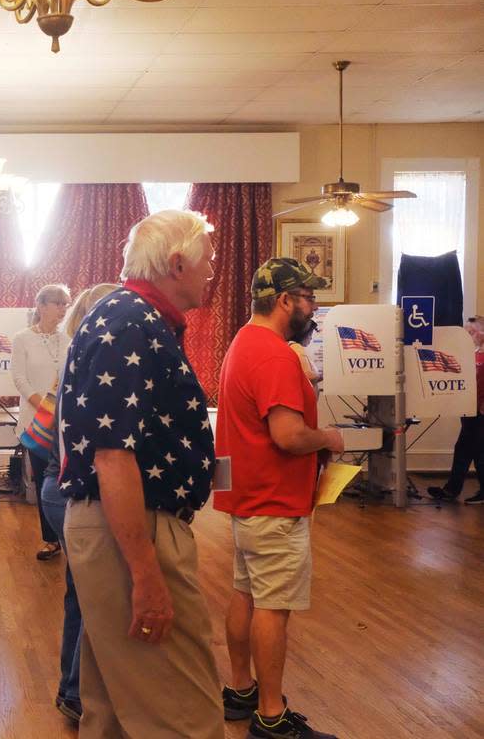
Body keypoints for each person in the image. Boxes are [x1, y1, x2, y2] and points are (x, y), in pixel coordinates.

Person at [60, 209, 223, 739]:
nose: (211, 272)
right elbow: (113, 457)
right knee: (184, 713)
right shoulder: (131, 323)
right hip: (133, 524)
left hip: (123, 521)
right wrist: (148, 576)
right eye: (207, 261)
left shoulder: (128, 317)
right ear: (176, 263)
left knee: (110, 712)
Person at [213, 258, 345, 739]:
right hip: (274, 499)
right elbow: (289, 435)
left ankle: (243, 689)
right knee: (273, 606)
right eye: (308, 299)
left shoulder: (244, 342)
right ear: (285, 300)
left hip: (247, 495)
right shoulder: (272, 354)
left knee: (246, 592)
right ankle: (270, 716)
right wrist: (329, 437)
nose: (313, 308)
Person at [39, 282, 117, 723]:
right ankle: (75, 690)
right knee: (93, 596)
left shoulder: (75, 360)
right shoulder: (92, 364)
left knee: (79, 594)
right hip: (69, 491)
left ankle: (72, 691)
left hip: (57, 487)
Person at [12, 283, 70, 561]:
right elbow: (19, 379)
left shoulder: (68, 338)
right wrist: (45, 407)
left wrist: (59, 410)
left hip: (64, 423)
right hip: (35, 422)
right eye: (58, 303)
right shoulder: (22, 338)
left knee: (65, 479)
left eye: (65, 304)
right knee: (44, 482)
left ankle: (70, 534)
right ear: (41, 306)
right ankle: (50, 539)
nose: (62, 309)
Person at [429, 315, 484, 505]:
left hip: (481, 413)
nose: (470, 335)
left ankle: (453, 490)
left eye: (473, 331)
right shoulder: (471, 353)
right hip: (468, 410)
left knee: (475, 450)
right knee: (468, 449)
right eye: (467, 332)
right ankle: (452, 489)